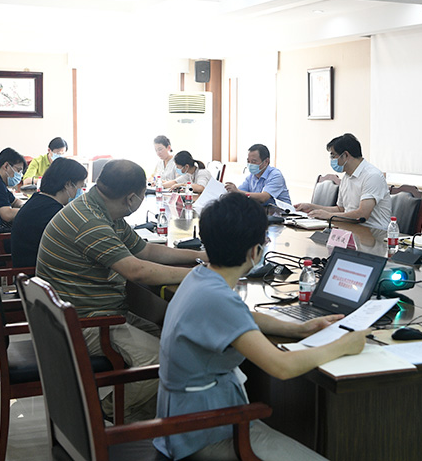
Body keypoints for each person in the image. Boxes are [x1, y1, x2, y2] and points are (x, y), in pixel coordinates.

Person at [154, 192, 368, 460]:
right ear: (255, 252)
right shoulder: (218, 299)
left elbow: (240, 317)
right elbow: (282, 366)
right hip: (204, 433)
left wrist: (298, 329)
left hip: (188, 421)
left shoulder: (200, 277)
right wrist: (343, 345)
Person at [36, 159, 207, 422]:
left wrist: (201, 257)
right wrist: (201, 276)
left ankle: (154, 414)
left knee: (173, 341)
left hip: (88, 313)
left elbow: (145, 250)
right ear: (131, 198)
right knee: (163, 359)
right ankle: (103, 413)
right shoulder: (90, 221)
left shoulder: (99, 208)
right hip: (85, 322)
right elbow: (136, 270)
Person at [295, 133, 391, 230]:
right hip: (350, 228)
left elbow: (362, 215)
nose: (332, 160)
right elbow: (341, 209)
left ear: (345, 155)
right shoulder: (347, 176)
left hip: (374, 232)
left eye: (333, 156)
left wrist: (328, 215)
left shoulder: (372, 176)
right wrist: (312, 207)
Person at [11, 158, 87, 268]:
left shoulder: (39, 201)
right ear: (68, 184)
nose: (80, 192)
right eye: (80, 187)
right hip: (37, 273)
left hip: (28, 270)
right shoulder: (52, 213)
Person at [225, 143, 291, 206]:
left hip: (281, 212)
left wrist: (237, 191)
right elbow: (240, 192)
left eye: (254, 161)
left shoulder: (276, 175)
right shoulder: (251, 176)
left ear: (266, 161)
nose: (250, 164)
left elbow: (263, 198)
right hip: (263, 211)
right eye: (248, 161)